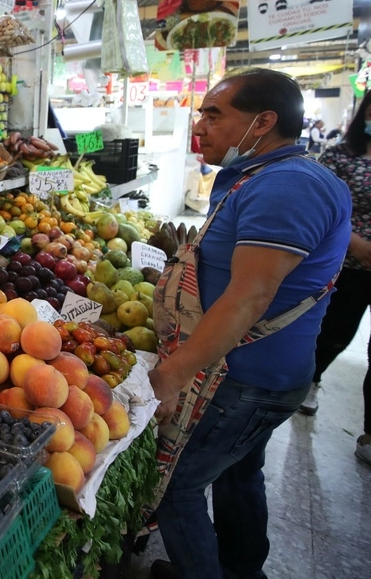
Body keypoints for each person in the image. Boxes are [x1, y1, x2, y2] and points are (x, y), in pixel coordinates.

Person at [147, 68, 351, 579]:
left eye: (214, 115)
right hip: (258, 377)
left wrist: (171, 374)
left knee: (177, 488)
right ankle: (240, 570)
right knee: (238, 473)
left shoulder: (288, 185)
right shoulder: (255, 176)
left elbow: (251, 296)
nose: (200, 126)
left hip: (244, 379)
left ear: (262, 122)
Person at [301, 93, 371, 463]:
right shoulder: (342, 155)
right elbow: (320, 205)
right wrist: (355, 243)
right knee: (336, 331)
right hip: (349, 262)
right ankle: (313, 381)